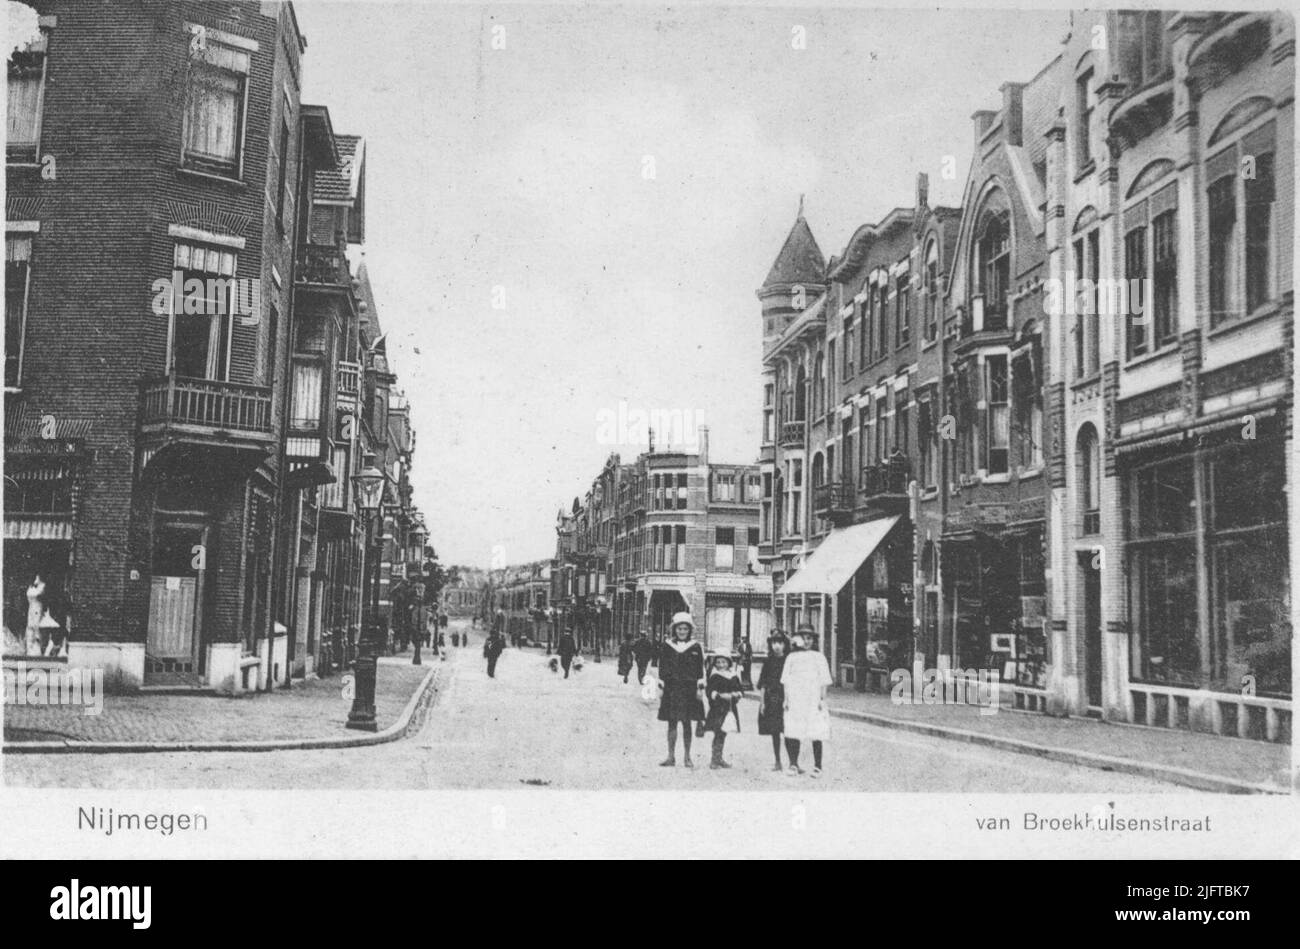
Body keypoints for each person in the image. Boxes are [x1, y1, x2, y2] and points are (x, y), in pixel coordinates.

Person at [656, 612, 706, 768]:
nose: (682, 632)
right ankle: (670, 756)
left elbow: (700, 670)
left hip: (689, 689)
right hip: (672, 689)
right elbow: (662, 667)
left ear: (689, 630)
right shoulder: (667, 646)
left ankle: (687, 757)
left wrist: (700, 688)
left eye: (685, 629)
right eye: (679, 629)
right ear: (674, 629)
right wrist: (662, 685)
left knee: (687, 724)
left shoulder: (696, 647)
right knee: (672, 723)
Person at [781, 626, 832, 777]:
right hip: (796, 698)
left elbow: (824, 680)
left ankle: (818, 766)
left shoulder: (819, 657)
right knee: (793, 730)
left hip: (813, 698)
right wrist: (786, 699)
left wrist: (822, 699)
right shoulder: (791, 657)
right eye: (803, 638)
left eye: (809, 638)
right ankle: (793, 764)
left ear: (814, 640)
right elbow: (786, 680)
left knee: (816, 731)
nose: (806, 641)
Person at [703, 654, 746, 769]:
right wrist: (720, 696)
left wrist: (736, 694)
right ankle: (714, 759)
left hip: (729, 708)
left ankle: (719, 758)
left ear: (728, 663)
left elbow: (740, 689)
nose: (721, 665)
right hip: (718, 708)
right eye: (718, 662)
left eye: (724, 662)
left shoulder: (733, 676)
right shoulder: (715, 676)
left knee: (723, 733)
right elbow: (709, 691)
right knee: (718, 732)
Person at [757, 632, 790, 771]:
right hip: (772, 698)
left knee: (789, 731)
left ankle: (793, 762)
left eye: (780, 643)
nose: (777, 646)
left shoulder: (789, 661)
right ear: (771, 644)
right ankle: (778, 761)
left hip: (787, 697)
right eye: (774, 643)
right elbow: (763, 683)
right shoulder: (768, 661)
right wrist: (762, 703)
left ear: (784, 645)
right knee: (775, 731)